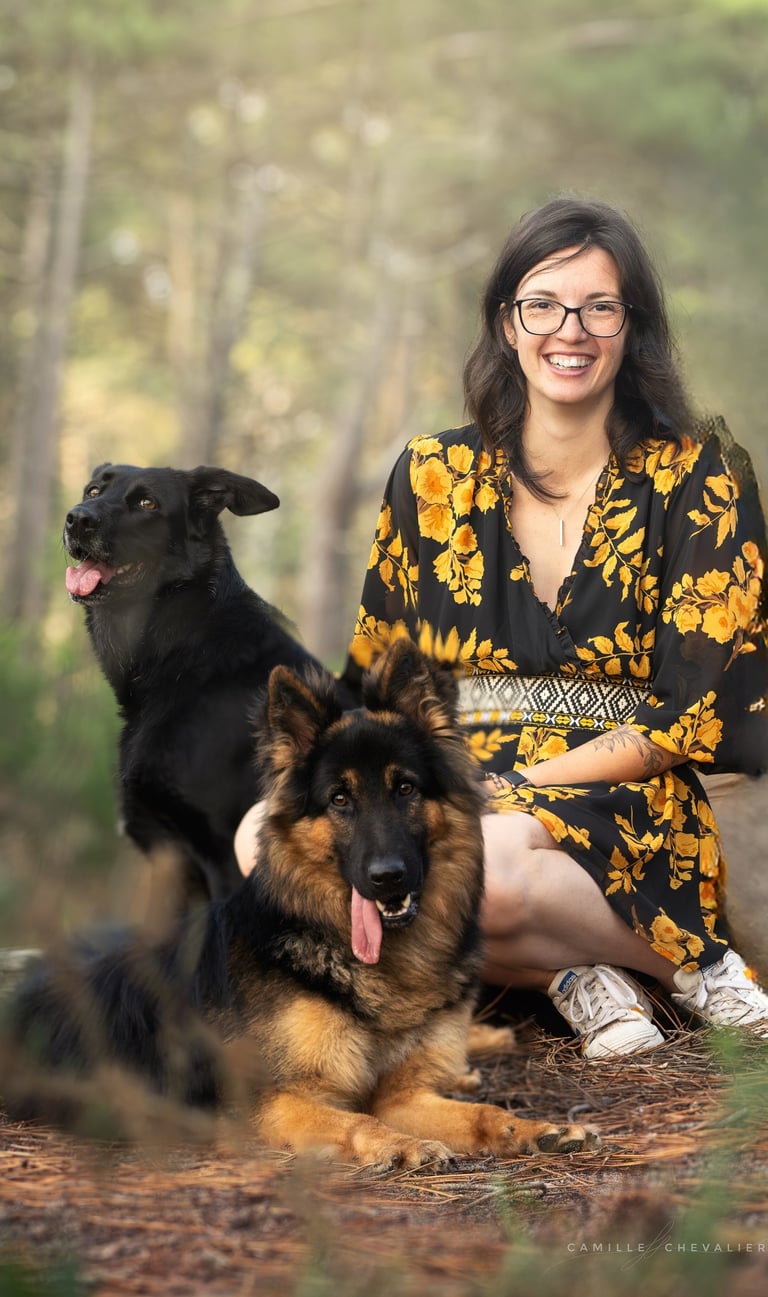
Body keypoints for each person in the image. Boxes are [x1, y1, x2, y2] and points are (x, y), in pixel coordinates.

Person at [235, 196, 768, 1058]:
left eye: (601, 306)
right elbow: (374, 676)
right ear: (506, 324)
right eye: (543, 305)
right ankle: (578, 973)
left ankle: (699, 967)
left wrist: (506, 789)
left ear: (634, 328)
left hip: (621, 784)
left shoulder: (699, 478)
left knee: (487, 862)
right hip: (455, 766)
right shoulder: (433, 474)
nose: (572, 330)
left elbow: (688, 715)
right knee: (258, 837)